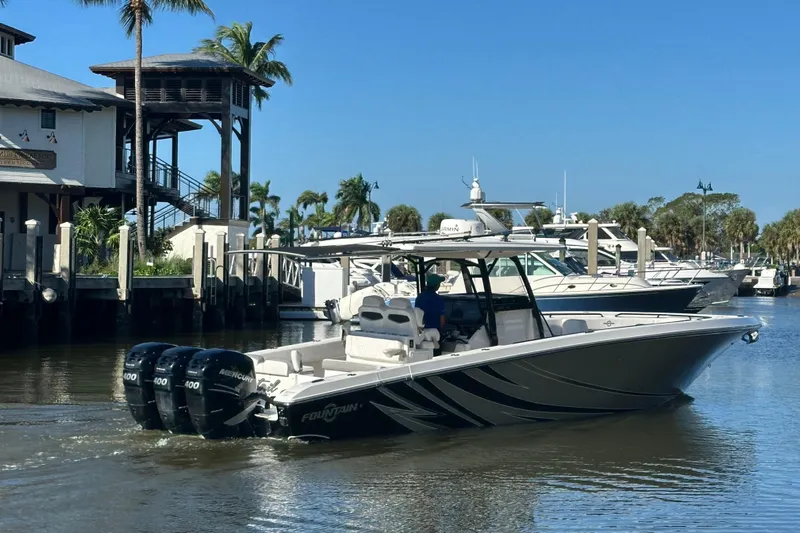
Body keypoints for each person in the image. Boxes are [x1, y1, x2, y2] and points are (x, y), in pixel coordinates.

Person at [415, 273, 446, 355]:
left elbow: (417, 314)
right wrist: (443, 332)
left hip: (421, 332)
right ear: (436, 285)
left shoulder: (419, 297)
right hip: (435, 333)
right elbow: (442, 320)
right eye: (439, 284)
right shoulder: (438, 299)